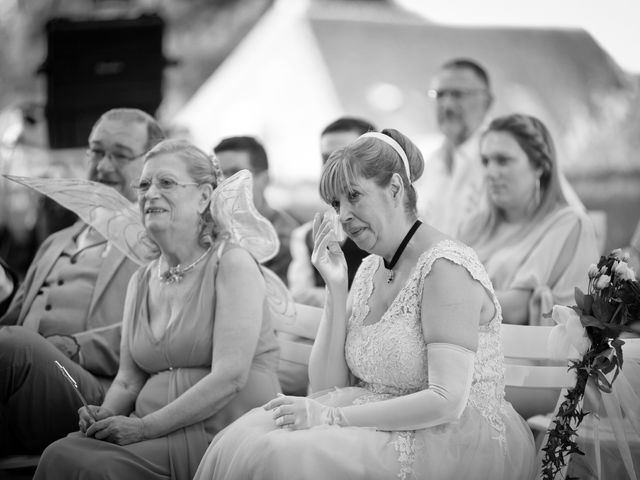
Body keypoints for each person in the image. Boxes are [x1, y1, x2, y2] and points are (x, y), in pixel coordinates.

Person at [194, 129, 536, 480]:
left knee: (281, 454)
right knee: (251, 437)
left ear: (396, 189)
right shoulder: (372, 265)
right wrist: (335, 287)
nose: (343, 216)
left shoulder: (445, 267)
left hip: (448, 439)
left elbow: (447, 401)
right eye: (336, 204)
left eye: (354, 196)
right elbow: (328, 385)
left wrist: (331, 417)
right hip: (376, 418)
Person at [34, 139, 281, 480]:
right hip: (154, 429)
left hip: (224, 431)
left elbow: (231, 377)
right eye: (144, 185)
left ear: (205, 195)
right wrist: (103, 414)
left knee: (92, 467)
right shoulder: (142, 278)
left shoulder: (232, 262)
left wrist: (145, 428)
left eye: (166, 183)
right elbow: (128, 380)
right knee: (59, 453)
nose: (150, 193)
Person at [0, 108, 164, 454]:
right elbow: (9, 321)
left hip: (90, 393)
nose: (103, 166)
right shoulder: (57, 240)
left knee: (13, 346)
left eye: (119, 155)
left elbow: (165, 328)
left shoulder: (158, 242)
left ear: (152, 165)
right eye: (96, 151)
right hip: (18, 374)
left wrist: (76, 345)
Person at [460, 114, 598, 326]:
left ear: (539, 166)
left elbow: (517, 309)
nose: (490, 172)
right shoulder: (473, 227)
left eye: (503, 160)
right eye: (486, 161)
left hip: (524, 355)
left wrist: (446, 297)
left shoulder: (569, 223)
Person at [288, 116, 375, 308]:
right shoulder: (305, 236)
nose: (332, 168)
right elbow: (299, 297)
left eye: (343, 156)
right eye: (326, 159)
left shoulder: (397, 231)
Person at [413, 58, 493, 237]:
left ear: (487, 102)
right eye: (440, 95)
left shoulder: (504, 160)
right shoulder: (429, 164)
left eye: (458, 94)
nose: (447, 105)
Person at [214, 136, 299, 284]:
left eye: (235, 173)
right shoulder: (211, 229)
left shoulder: (285, 240)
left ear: (265, 179)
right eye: (218, 175)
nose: (224, 183)